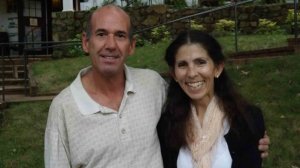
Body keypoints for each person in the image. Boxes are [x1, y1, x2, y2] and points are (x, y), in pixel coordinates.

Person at [44, 4, 269, 168]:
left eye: (120, 36)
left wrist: (253, 136)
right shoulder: (64, 108)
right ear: (86, 42)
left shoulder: (151, 85)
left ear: (131, 45)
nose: (110, 45)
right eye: (102, 34)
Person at [157, 30, 267, 168]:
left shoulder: (248, 118)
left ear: (218, 68)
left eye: (200, 62)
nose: (191, 73)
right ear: (174, 74)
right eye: (182, 65)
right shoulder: (166, 125)